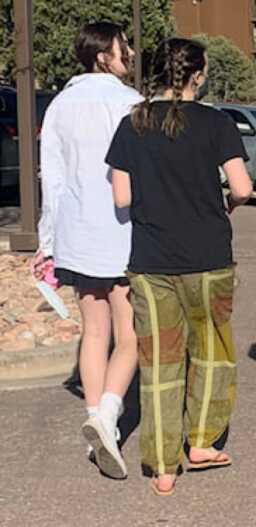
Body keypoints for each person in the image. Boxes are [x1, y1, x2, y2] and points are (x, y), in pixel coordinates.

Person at [107, 38, 253, 496]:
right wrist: (224, 204)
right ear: (197, 76)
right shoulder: (217, 123)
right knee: (212, 350)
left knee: (159, 363)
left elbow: (122, 197)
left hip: (151, 259)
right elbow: (244, 187)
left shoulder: (133, 124)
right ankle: (202, 442)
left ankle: (162, 465)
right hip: (208, 254)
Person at [32, 22, 142, 480]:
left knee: (93, 331)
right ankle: (107, 416)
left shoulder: (59, 105)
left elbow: (51, 178)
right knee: (130, 333)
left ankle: (97, 415)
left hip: (76, 234)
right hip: (122, 231)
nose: (130, 52)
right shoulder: (130, 103)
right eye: (123, 46)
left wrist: (48, 240)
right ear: (105, 55)